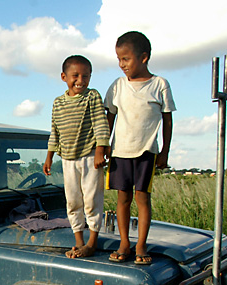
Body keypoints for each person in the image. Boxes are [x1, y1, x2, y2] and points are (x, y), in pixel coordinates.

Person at [104, 31, 176, 265]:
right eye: (118, 59)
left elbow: (167, 120)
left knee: (143, 198)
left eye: (126, 59)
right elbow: (110, 117)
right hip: (119, 152)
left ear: (143, 57)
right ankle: (124, 242)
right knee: (122, 198)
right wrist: (103, 146)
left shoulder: (159, 85)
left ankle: (141, 244)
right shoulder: (117, 86)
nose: (121, 64)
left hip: (146, 152)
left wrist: (164, 151)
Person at [43, 55, 110, 258]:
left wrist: (101, 149)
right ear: (64, 77)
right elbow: (55, 130)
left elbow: (101, 122)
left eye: (86, 76)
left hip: (89, 156)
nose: (80, 80)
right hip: (68, 159)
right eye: (75, 75)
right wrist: (49, 156)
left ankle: (92, 242)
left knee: (91, 199)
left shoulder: (92, 97)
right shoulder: (58, 103)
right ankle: (79, 241)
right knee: (73, 201)